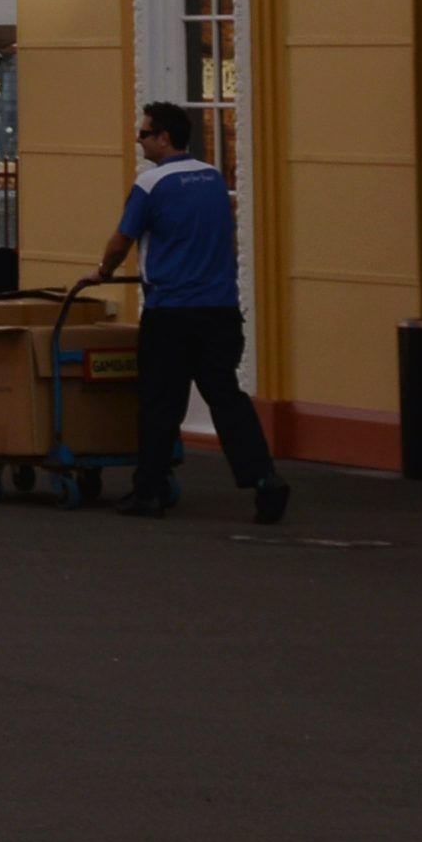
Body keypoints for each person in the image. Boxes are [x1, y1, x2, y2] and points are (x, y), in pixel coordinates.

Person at [92, 101, 277, 527]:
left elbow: (123, 240)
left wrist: (102, 271)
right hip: (220, 309)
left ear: (164, 138)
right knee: (226, 398)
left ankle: (149, 490)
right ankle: (264, 479)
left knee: (160, 402)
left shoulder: (151, 184)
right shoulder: (213, 177)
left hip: (171, 310)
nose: (138, 140)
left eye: (144, 133)